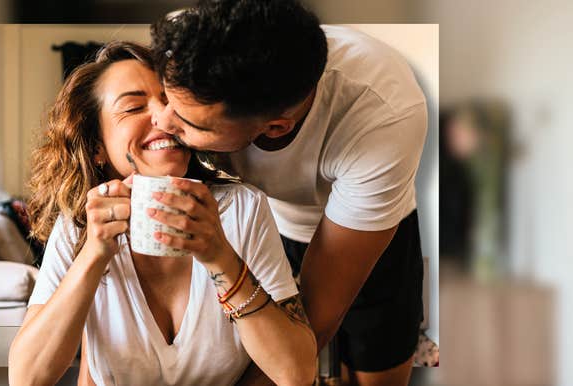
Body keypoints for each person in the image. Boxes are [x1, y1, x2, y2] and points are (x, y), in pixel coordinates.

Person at [8, 41, 317, 386]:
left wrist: (220, 257)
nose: (164, 118)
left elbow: (297, 373)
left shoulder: (241, 209)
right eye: (133, 107)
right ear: (97, 146)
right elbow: (27, 378)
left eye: (170, 101)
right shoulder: (80, 224)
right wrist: (93, 254)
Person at [150, 1, 428, 385]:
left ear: (277, 127)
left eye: (187, 120)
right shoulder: (191, 39)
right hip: (266, 225)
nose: (161, 121)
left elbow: (314, 323)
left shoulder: (383, 115)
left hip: (368, 234)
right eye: (165, 99)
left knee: (375, 369)